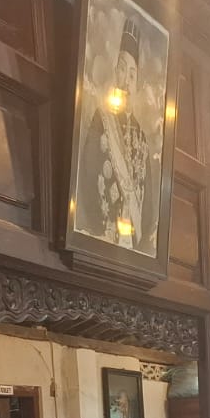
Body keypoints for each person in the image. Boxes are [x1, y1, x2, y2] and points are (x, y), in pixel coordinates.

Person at [74, 16, 157, 249]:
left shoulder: (141, 136)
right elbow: (88, 175)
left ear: (137, 82)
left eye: (132, 74)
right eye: (122, 70)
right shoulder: (101, 119)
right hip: (104, 234)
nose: (126, 81)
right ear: (114, 72)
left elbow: (148, 202)